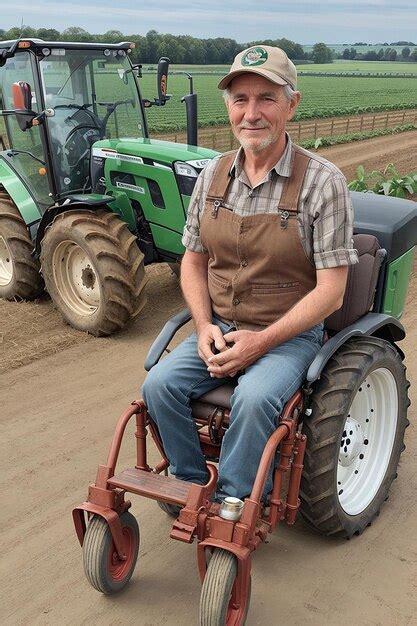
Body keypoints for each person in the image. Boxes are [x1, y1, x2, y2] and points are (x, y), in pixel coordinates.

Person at [142, 45, 358, 505]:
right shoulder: (213, 175)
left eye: (267, 98)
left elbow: (333, 291)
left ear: (291, 104)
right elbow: (194, 261)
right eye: (241, 99)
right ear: (228, 105)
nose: (252, 113)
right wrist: (203, 327)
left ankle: (233, 502)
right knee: (157, 387)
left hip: (287, 335)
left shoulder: (323, 183)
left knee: (256, 400)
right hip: (220, 326)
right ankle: (190, 484)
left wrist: (260, 343)